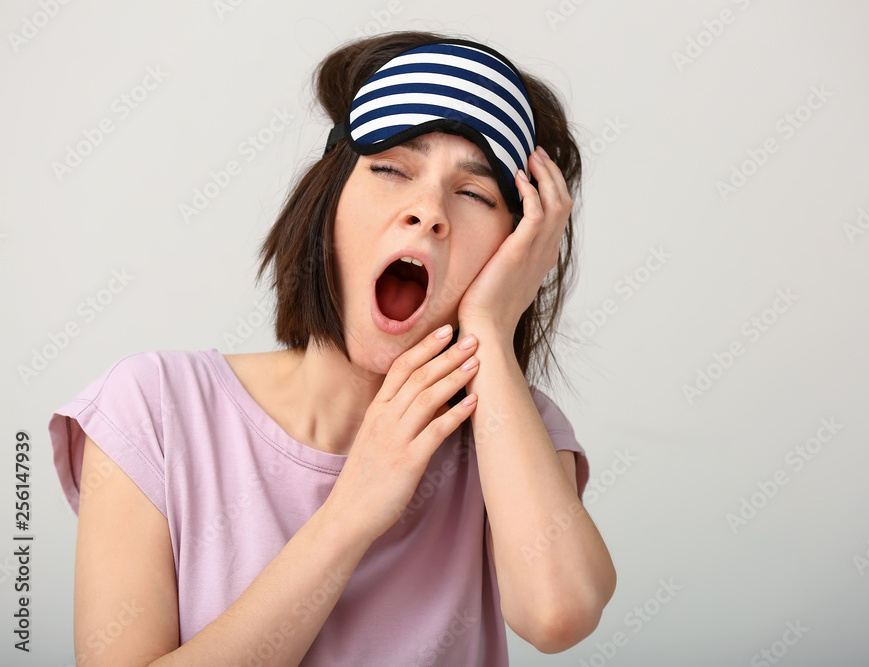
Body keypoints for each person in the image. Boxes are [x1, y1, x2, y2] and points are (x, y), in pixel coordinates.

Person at [48, 30, 616, 665]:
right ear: (326, 207)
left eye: (476, 194)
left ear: (512, 254)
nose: (429, 211)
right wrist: (352, 511)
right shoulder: (150, 409)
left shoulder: (511, 429)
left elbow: (559, 613)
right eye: (392, 169)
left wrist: (487, 320)